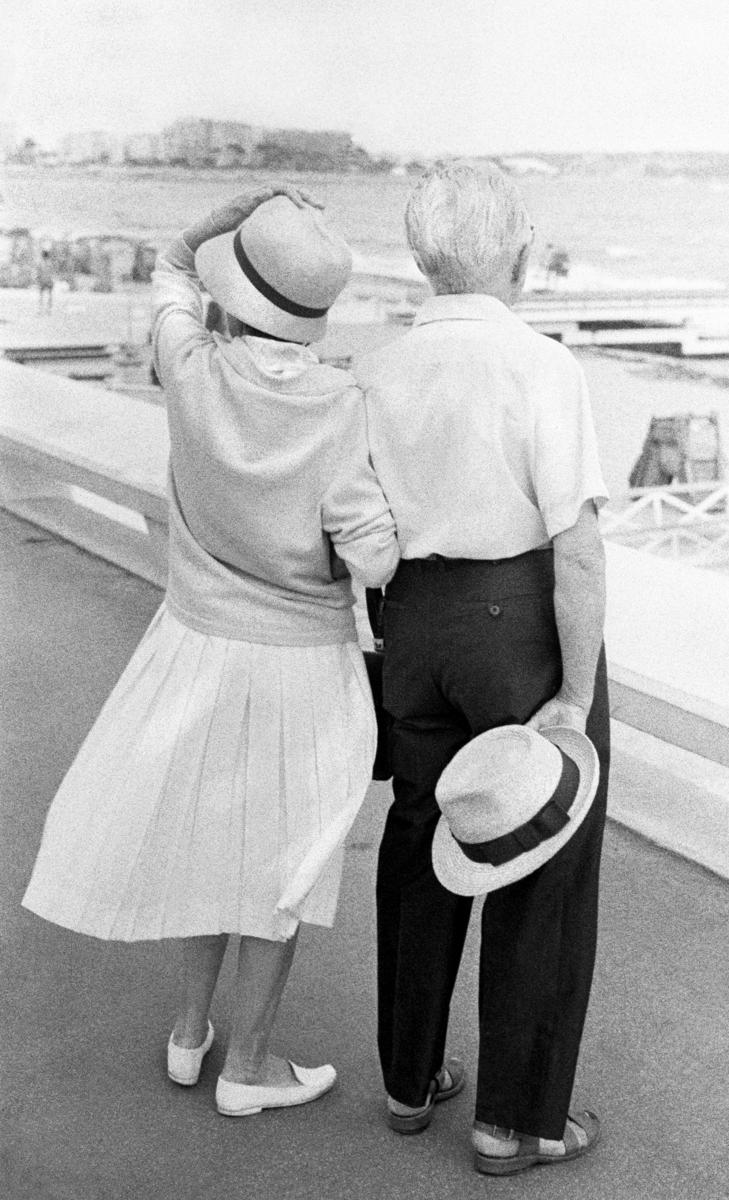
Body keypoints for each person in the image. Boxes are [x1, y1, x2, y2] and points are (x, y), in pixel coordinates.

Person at [22, 186, 399, 1116]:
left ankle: (191, 1035)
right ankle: (251, 1067)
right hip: (302, 669)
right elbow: (374, 552)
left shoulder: (189, 367)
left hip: (192, 647)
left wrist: (238, 210)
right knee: (284, 867)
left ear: (240, 294)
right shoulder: (344, 405)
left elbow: (170, 265)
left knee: (206, 846)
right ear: (314, 313)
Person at [354, 160, 610, 1174]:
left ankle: (407, 1081)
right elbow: (578, 547)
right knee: (539, 856)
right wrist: (577, 695)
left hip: (411, 621)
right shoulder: (542, 366)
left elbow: (358, 525)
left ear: (424, 260)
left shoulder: (375, 367)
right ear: (514, 253)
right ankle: (515, 1121)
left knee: (422, 838)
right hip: (517, 622)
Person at [36, 248, 55, 312]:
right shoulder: (50, 263)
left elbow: (38, 272)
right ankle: (49, 309)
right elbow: (52, 273)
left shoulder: (41, 263)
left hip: (43, 280)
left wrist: (38, 280)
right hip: (49, 280)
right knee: (49, 295)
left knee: (41, 295)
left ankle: (41, 308)